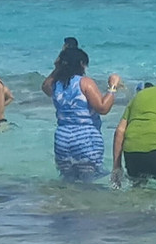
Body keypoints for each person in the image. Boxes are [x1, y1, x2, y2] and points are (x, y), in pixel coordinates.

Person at [41, 46, 121, 181]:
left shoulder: (55, 84)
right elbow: (102, 108)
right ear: (81, 64)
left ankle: (65, 201)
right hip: (86, 137)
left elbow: (44, 87)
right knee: (90, 179)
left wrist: (57, 67)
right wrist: (112, 87)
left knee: (68, 179)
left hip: (62, 137)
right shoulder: (85, 82)